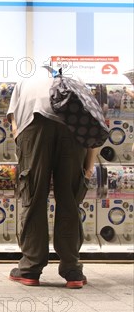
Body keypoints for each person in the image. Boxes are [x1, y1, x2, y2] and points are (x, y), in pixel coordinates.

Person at [7, 66, 98, 289]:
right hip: (73, 128)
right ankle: (72, 270)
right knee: (69, 200)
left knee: (34, 196)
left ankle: (30, 269)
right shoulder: (77, 83)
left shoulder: (25, 82)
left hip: (34, 125)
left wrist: (22, 143)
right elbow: (95, 127)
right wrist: (87, 168)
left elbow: (14, 123)